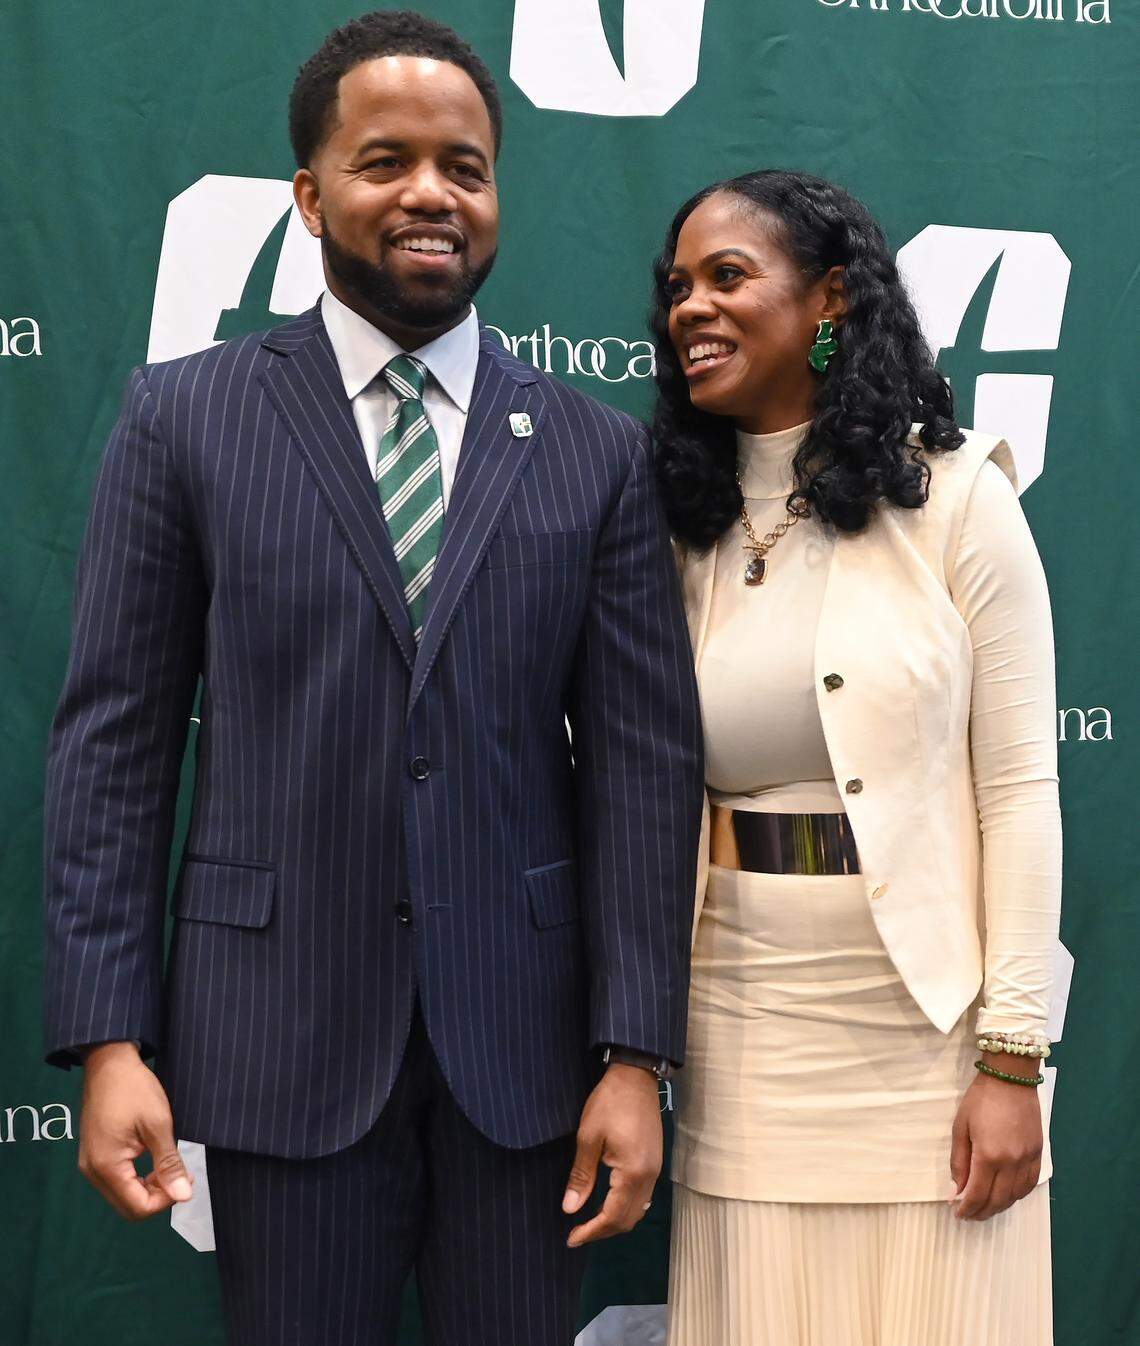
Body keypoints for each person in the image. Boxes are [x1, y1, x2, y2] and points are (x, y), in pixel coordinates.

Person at [42, 12, 703, 1344]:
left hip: (526, 1067)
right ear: (311, 192)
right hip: (276, 1040)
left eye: (465, 166)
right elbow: (113, 741)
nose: (429, 194)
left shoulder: (592, 452)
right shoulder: (185, 417)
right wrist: (110, 1038)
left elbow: (643, 764)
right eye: (385, 159)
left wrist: (638, 1054)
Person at [653, 170, 1060, 1346]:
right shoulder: (675, 518)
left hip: (930, 1044)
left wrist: (1012, 1055)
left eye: (728, 277)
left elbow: (1022, 791)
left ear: (830, 298)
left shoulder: (960, 498)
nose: (691, 307)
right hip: (739, 1037)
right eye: (678, 287)